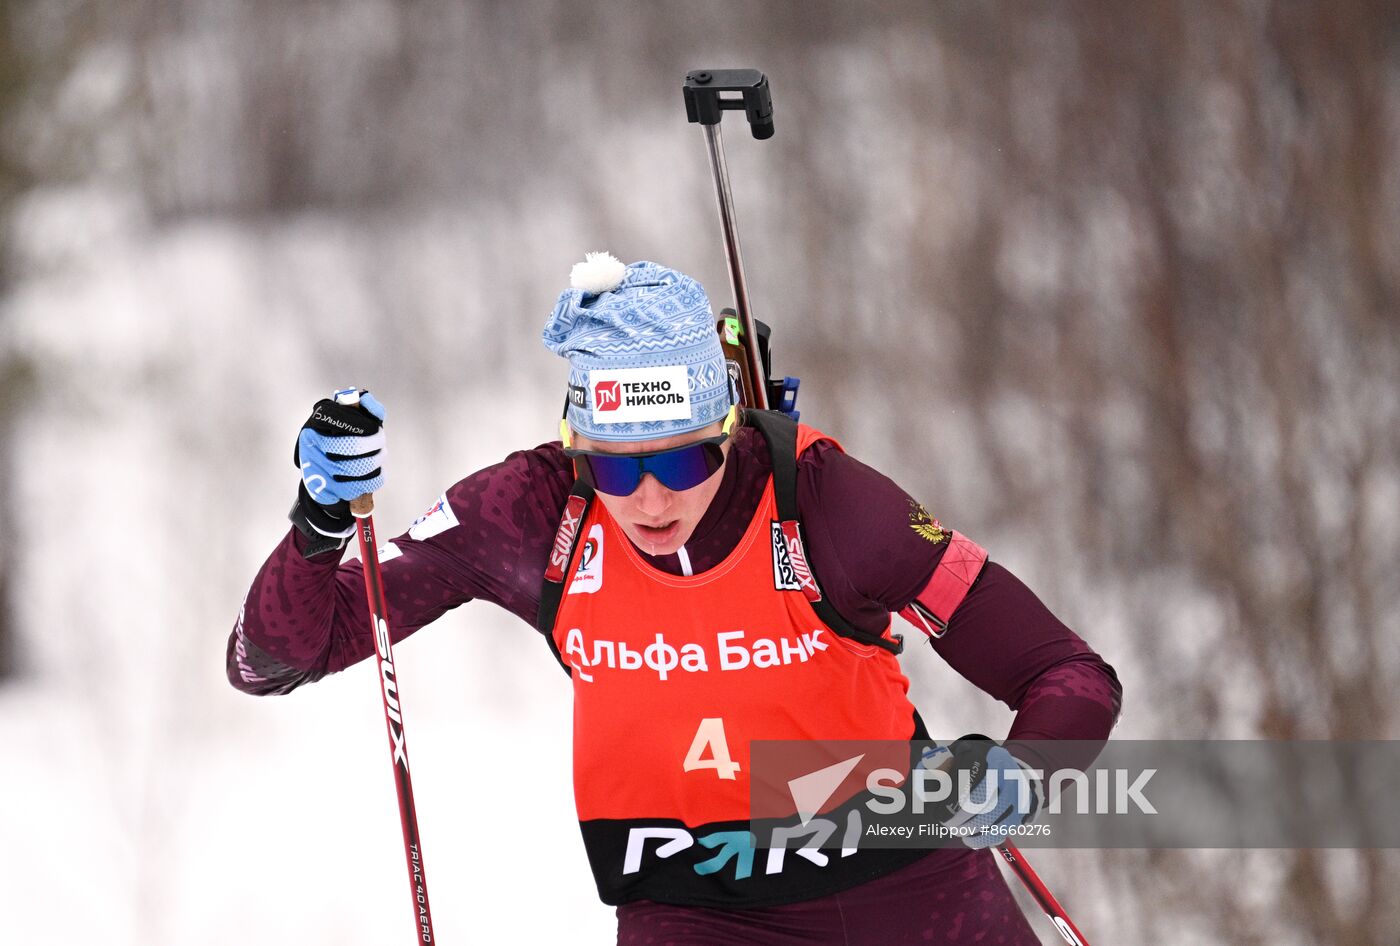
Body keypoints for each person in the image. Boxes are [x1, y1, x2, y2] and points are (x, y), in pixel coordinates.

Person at [227, 253, 1122, 945]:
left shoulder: (832, 508)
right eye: (616, 464)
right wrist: (317, 526)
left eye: (681, 457)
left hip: (903, 881)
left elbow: (1069, 675)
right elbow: (272, 661)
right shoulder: (531, 510)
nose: (649, 498)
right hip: (694, 907)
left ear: (729, 431)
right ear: (577, 446)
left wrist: (1018, 777)